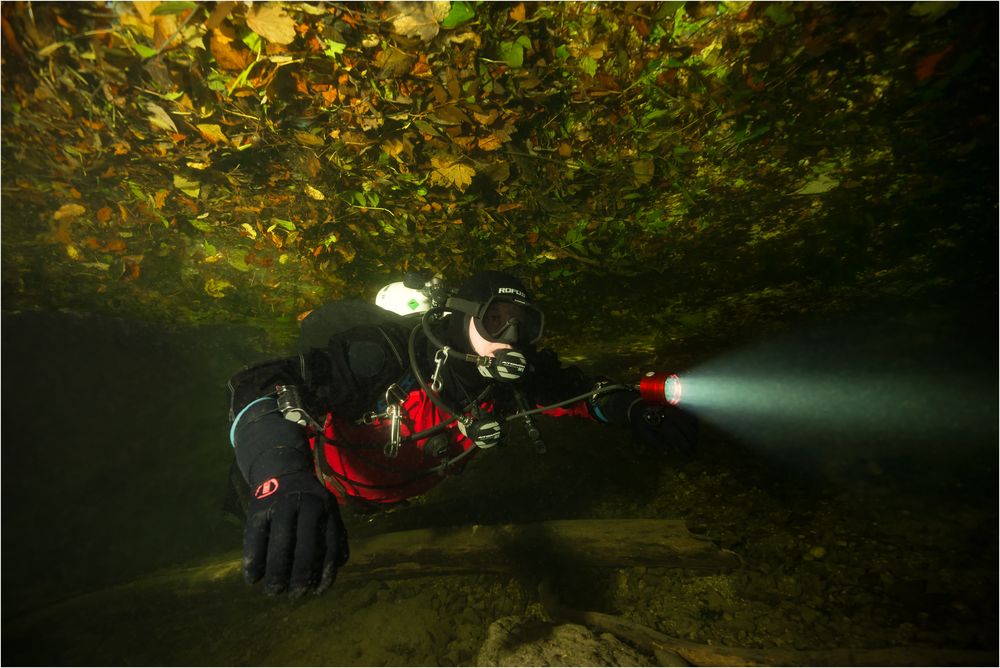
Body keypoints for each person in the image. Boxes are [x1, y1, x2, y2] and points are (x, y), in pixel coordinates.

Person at [227, 270, 696, 598]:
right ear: (462, 316)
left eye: (523, 323)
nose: (509, 334)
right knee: (242, 515)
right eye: (496, 318)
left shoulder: (510, 379)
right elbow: (259, 384)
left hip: (387, 500)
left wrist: (635, 410)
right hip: (312, 483)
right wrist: (278, 478)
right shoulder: (381, 357)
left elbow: (577, 395)